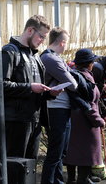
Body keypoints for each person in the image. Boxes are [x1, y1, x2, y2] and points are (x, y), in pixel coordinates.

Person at [2, 15, 59, 159]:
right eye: (41, 37)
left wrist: (50, 93)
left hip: (35, 120)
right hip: (16, 121)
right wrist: (29, 87)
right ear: (29, 30)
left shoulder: (35, 56)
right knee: (16, 166)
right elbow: (1, 85)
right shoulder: (10, 51)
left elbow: (36, 89)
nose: (42, 41)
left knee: (30, 166)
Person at [40, 27, 77, 184]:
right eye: (67, 43)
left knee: (60, 152)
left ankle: (58, 181)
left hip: (60, 108)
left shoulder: (53, 57)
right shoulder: (51, 59)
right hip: (56, 109)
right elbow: (74, 84)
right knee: (56, 152)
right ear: (62, 42)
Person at [64, 49, 106, 184]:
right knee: (86, 151)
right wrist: (98, 119)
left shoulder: (84, 75)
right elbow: (88, 102)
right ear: (89, 63)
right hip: (85, 120)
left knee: (78, 150)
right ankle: (81, 179)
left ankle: (81, 178)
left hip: (81, 118)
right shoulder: (81, 76)